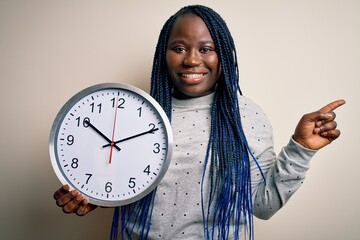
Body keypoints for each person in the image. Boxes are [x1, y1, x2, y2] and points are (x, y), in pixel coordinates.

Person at [53, 5, 345, 240]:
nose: (192, 60)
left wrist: (301, 148)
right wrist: (95, 196)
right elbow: (123, 182)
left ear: (224, 57)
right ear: (162, 56)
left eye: (206, 49)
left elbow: (263, 205)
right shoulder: (134, 113)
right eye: (179, 48)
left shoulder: (245, 117)